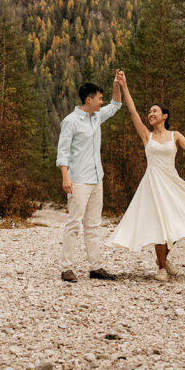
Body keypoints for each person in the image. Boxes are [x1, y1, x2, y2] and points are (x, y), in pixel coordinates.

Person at [107, 70, 185, 279]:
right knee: (158, 223)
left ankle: (164, 260)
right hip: (152, 183)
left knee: (176, 223)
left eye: (155, 111)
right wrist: (124, 85)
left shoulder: (175, 135)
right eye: (149, 111)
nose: (151, 114)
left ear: (164, 116)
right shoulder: (145, 135)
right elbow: (131, 110)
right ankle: (161, 268)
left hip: (171, 182)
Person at [56, 75, 122, 282]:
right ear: (88, 100)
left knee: (93, 225)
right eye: (100, 98)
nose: (102, 102)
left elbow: (116, 104)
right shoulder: (70, 121)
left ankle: (95, 267)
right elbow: (63, 151)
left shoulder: (96, 117)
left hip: (96, 178)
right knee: (74, 224)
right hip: (78, 180)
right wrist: (65, 177)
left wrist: (116, 84)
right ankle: (66, 268)